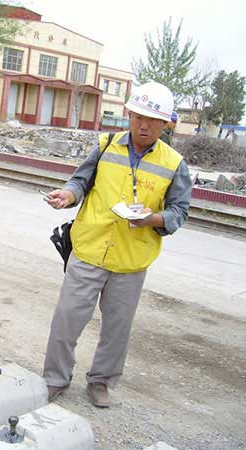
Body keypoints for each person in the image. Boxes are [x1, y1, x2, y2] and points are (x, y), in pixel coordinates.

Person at [42, 82, 191, 408]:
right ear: (129, 114)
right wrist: (68, 194)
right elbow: (81, 180)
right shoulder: (106, 145)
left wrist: (152, 219)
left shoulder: (174, 163)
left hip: (131, 259)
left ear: (166, 123)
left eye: (152, 120)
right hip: (89, 249)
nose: (143, 125)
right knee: (67, 319)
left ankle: (101, 382)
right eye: (138, 116)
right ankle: (55, 378)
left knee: (116, 330)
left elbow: (179, 212)